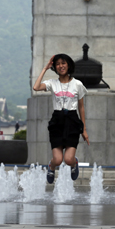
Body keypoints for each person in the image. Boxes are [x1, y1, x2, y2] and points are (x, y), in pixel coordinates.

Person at [33, 54, 89, 184]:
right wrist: (45, 68)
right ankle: (51, 167)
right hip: (57, 121)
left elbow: (81, 108)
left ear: (68, 65)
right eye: (57, 64)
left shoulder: (77, 84)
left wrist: (84, 129)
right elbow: (36, 87)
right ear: (55, 67)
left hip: (72, 121)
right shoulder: (52, 83)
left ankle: (74, 164)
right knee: (57, 160)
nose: (60, 66)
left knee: (68, 160)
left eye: (63, 63)